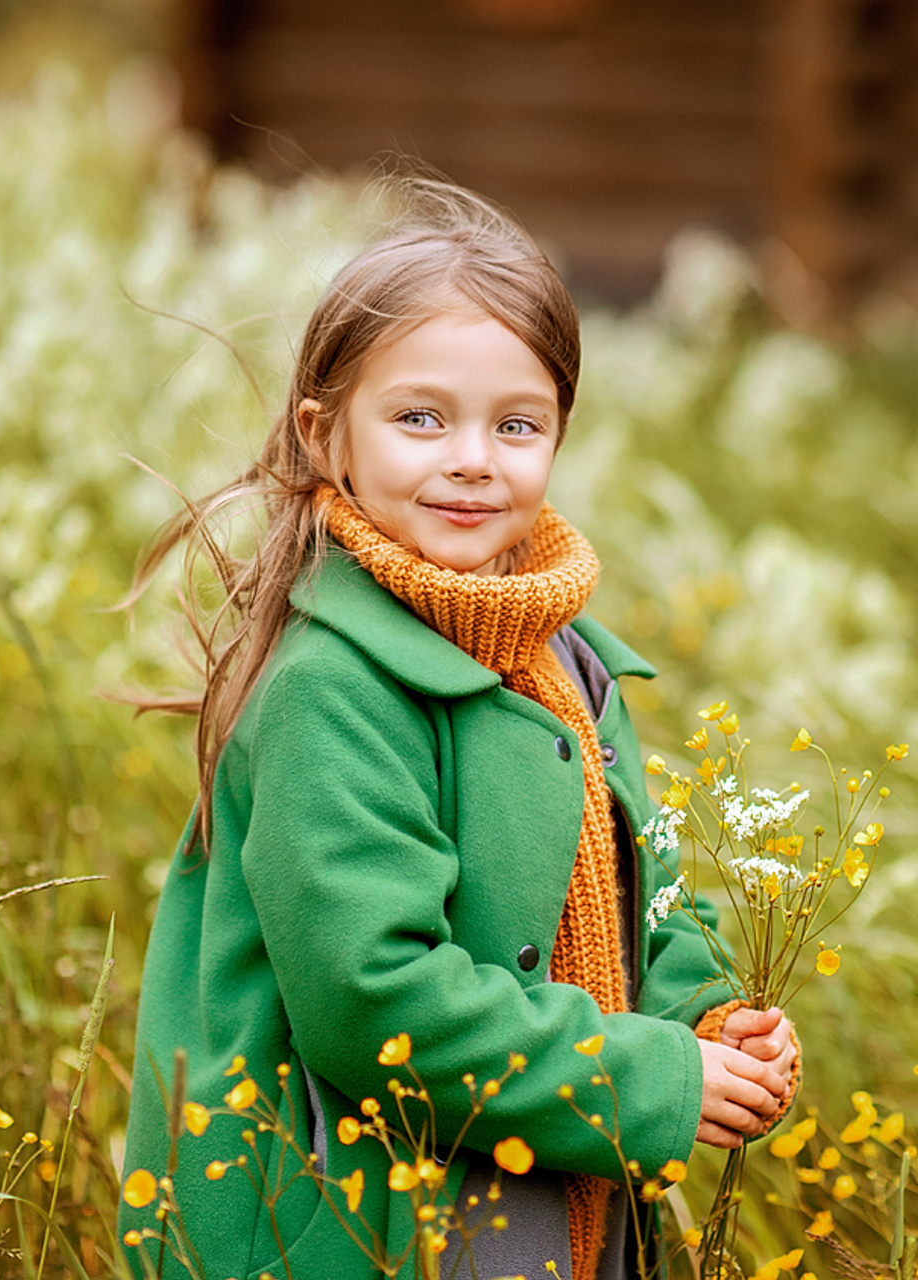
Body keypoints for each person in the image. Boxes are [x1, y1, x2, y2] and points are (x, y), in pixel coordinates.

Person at [118, 180, 797, 1280]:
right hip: (352, 1219)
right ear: (324, 434)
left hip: (536, 1187)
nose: (472, 456)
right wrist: (642, 1082)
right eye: (419, 416)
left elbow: (643, 890)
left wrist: (705, 1018)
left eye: (515, 423)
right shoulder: (329, 688)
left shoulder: (564, 659)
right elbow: (371, 1000)